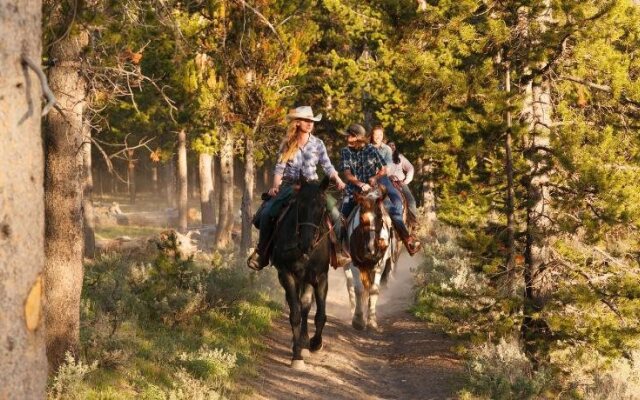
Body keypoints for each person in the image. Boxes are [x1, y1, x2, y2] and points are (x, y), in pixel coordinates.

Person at [247, 106, 349, 271]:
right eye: (307, 121)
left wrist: (337, 179)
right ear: (298, 123)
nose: (310, 124)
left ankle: (338, 250)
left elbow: (327, 166)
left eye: (312, 121)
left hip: (313, 186)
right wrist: (275, 186)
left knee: (337, 216)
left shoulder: (318, 143)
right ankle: (262, 252)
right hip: (290, 186)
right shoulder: (287, 143)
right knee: (266, 214)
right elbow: (279, 168)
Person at [339, 123, 421, 256]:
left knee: (391, 208)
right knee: (340, 214)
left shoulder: (371, 149)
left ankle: (407, 239)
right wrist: (360, 184)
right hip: (354, 188)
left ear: (357, 137)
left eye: (349, 136)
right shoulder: (345, 151)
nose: (346, 138)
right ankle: (339, 248)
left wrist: (375, 178)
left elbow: (383, 169)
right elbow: (347, 174)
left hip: (373, 187)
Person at [387, 141, 418, 224]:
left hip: (400, 182)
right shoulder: (383, 157)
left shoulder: (400, 157)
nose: (391, 147)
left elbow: (410, 168)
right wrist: (388, 177)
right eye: (389, 145)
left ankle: (413, 222)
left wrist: (406, 181)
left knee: (411, 201)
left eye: (393, 145)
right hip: (387, 183)